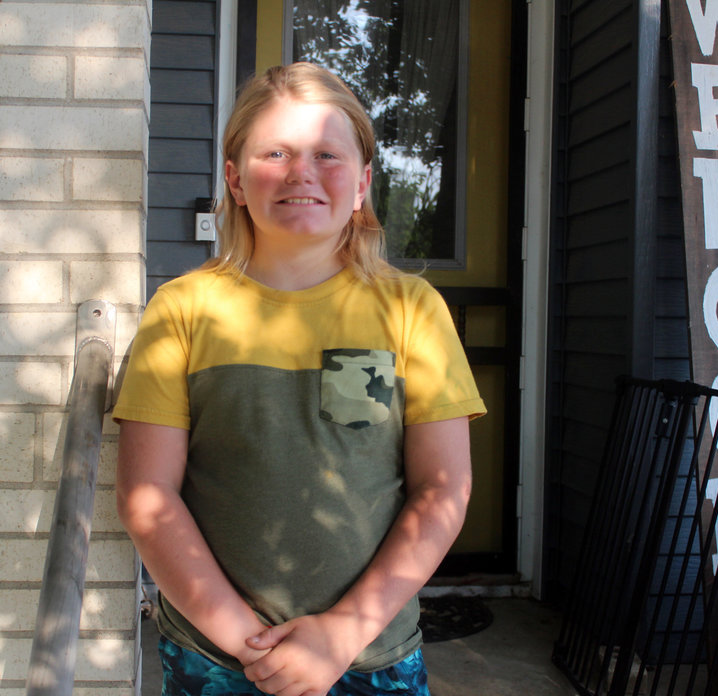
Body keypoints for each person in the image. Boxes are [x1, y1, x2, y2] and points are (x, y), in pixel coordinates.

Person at [113, 62, 486, 696]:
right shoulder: (181, 310)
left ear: (363, 182)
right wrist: (247, 643)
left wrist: (342, 633)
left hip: (371, 654)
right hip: (218, 657)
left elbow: (442, 491)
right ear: (234, 179)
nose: (300, 172)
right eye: (276, 152)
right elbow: (148, 496)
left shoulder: (411, 309)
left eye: (325, 154)